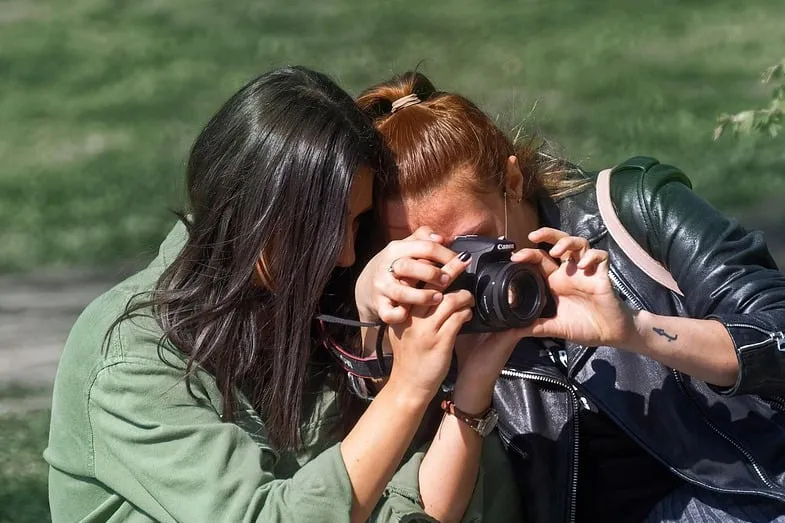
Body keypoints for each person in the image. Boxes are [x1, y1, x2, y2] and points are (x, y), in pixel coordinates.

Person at [44, 66, 522, 523]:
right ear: (256, 216)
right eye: (325, 231)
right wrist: (406, 389)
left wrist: (385, 349)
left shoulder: (323, 305)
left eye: (357, 224)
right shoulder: (131, 358)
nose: (346, 255)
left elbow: (413, 504)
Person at [356, 71, 785, 523]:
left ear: (512, 181)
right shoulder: (419, 314)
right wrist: (373, 316)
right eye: (433, 255)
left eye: (473, 241)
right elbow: (409, 504)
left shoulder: (630, 211)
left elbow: (777, 335)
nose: (459, 270)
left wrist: (636, 331)